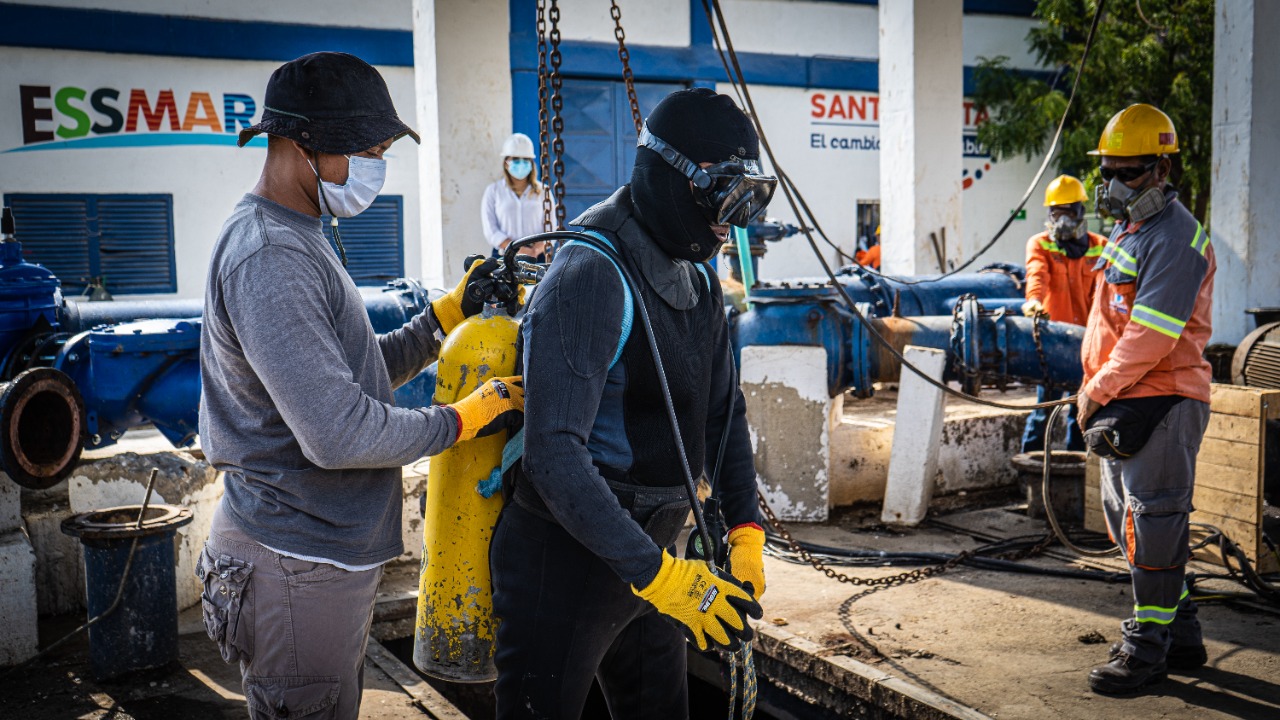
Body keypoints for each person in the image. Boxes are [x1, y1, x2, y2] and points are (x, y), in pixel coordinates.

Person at [196, 52, 524, 719]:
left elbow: (345, 368)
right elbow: (338, 431)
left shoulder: (299, 232)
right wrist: (460, 419)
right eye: (367, 151)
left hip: (315, 555)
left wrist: (441, 319)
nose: (376, 168)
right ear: (301, 146)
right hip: (294, 563)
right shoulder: (270, 256)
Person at [491, 88, 770, 719]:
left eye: (747, 199)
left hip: (655, 557)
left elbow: (724, 414)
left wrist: (746, 531)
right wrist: (659, 575)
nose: (732, 220)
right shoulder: (589, 276)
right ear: (677, 180)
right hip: (564, 562)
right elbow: (553, 456)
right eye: (724, 196)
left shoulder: (697, 274)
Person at [1078, 104, 1215, 694]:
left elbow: (1151, 337)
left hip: (1162, 399)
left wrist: (1097, 388)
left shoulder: (1177, 235)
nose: (1114, 185)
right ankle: (1181, 634)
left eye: (1128, 172)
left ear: (1161, 169)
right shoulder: (1132, 228)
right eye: (1108, 171)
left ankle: (1147, 650)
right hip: (1127, 399)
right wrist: (1095, 387)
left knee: (1152, 527)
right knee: (1131, 525)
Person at [1019, 175, 1106, 453]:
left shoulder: (1100, 246)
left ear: (1080, 211)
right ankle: (1028, 468)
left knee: (1080, 412)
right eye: (1056, 212)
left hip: (1089, 345)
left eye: (1068, 211)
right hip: (1054, 343)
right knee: (1044, 411)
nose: (1062, 219)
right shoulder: (1041, 244)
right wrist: (1033, 300)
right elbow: (1037, 274)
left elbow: (1106, 293)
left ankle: (1077, 473)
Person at [481, 132, 551, 258]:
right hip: (504, 255)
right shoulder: (493, 191)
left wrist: (535, 250)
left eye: (525, 159)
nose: (521, 163)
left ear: (531, 163)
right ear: (506, 162)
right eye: (516, 159)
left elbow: (552, 226)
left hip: (537, 256)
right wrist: (517, 249)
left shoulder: (543, 192)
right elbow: (491, 230)